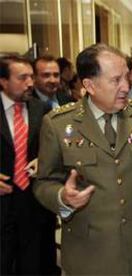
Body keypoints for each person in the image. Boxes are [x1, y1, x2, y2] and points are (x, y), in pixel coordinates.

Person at [34, 43, 132, 275]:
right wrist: (62, 197)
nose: (125, 87)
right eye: (115, 80)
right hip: (89, 256)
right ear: (89, 85)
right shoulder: (58, 125)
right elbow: (43, 182)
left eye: (126, 77)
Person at [0, 56, 60, 275]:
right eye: (22, 78)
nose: (30, 83)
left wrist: (42, 159)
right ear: (3, 81)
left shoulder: (41, 109)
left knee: (37, 263)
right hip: (3, 203)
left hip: (35, 202)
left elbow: (53, 149)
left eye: (31, 77)